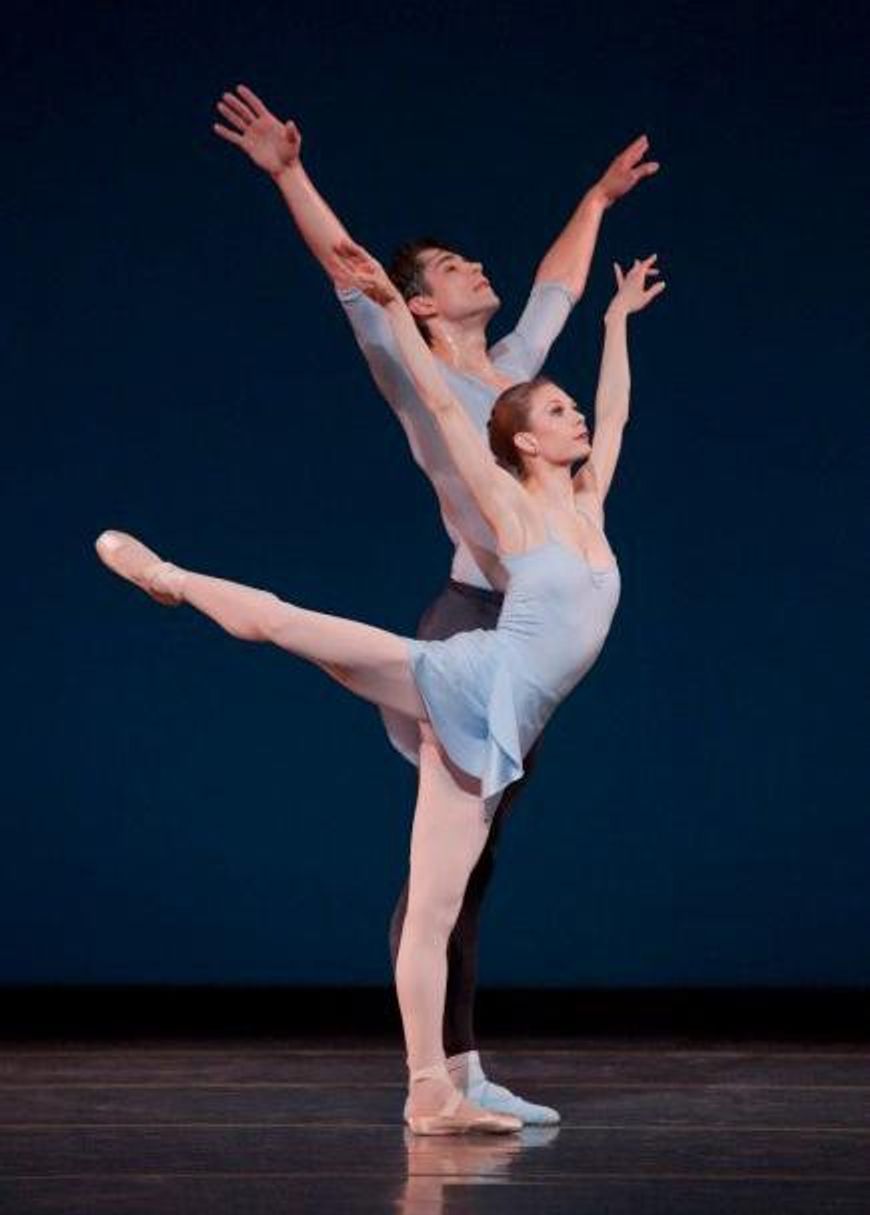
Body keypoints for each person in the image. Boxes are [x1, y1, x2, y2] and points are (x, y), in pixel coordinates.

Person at [95, 244, 664, 1133]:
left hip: (502, 721)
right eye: (559, 407)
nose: (576, 412)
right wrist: (394, 314)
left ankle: (431, 1091)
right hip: (468, 680)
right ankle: (171, 577)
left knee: (436, 902)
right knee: (293, 626)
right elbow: (440, 400)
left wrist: (617, 324)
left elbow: (621, 415)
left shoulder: (587, 507)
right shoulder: (510, 510)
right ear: (524, 441)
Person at [213, 85, 659, 1124]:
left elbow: (555, 286)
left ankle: (458, 1069)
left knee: (475, 862)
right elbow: (354, 274)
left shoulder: (513, 383)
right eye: (453, 268)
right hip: (471, 623)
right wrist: (289, 174)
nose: (476, 269)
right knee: (440, 868)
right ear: (421, 304)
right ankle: (437, 1074)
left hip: (527, 632)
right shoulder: (408, 364)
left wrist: (594, 199)